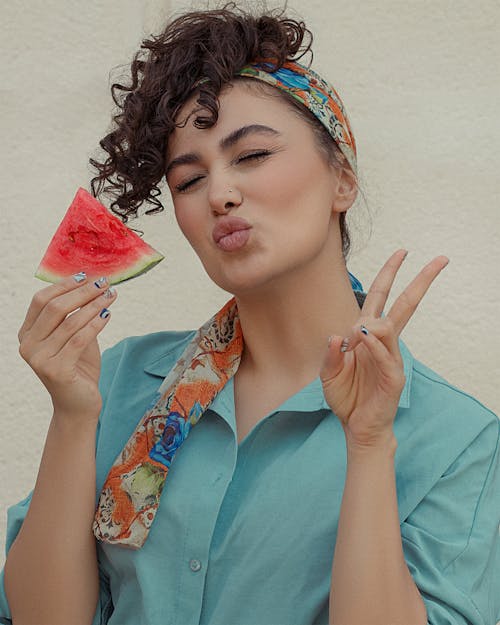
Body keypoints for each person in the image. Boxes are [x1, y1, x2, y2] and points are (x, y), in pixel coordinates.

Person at [1, 4, 499, 625]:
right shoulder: (116, 383)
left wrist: (369, 447)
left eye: (253, 155)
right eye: (187, 180)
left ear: (342, 179)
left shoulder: (456, 440)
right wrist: (74, 418)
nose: (220, 194)